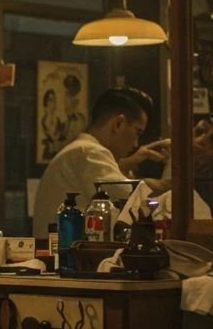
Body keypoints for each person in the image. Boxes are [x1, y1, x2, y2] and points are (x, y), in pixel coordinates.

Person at [32, 87, 170, 237]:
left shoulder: (80, 150)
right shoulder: (90, 152)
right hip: (65, 251)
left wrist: (126, 164)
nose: (136, 144)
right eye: (137, 133)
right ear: (118, 124)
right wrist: (171, 176)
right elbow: (134, 203)